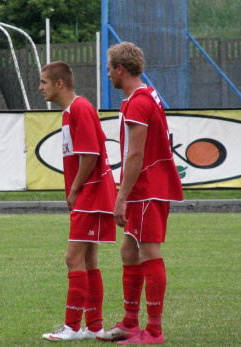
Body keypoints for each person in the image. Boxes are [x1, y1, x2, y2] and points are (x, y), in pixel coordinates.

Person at [96, 42, 183, 345]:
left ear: (120, 69)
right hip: (145, 188)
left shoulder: (138, 102)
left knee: (149, 251)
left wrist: (121, 196)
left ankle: (154, 331)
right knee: (129, 250)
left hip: (147, 188)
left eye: (109, 69)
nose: (107, 74)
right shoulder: (143, 97)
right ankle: (131, 322)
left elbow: (135, 155)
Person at [38, 61, 118, 342]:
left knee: (73, 258)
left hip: (91, 194)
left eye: (44, 82)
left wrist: (73, 191)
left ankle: (71, 327)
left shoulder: (80, 108)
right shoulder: (71, 111)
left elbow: (91, 155)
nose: (40, 87)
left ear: (59, 84)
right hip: (92, 194)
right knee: (88, 259)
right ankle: (94, 327)